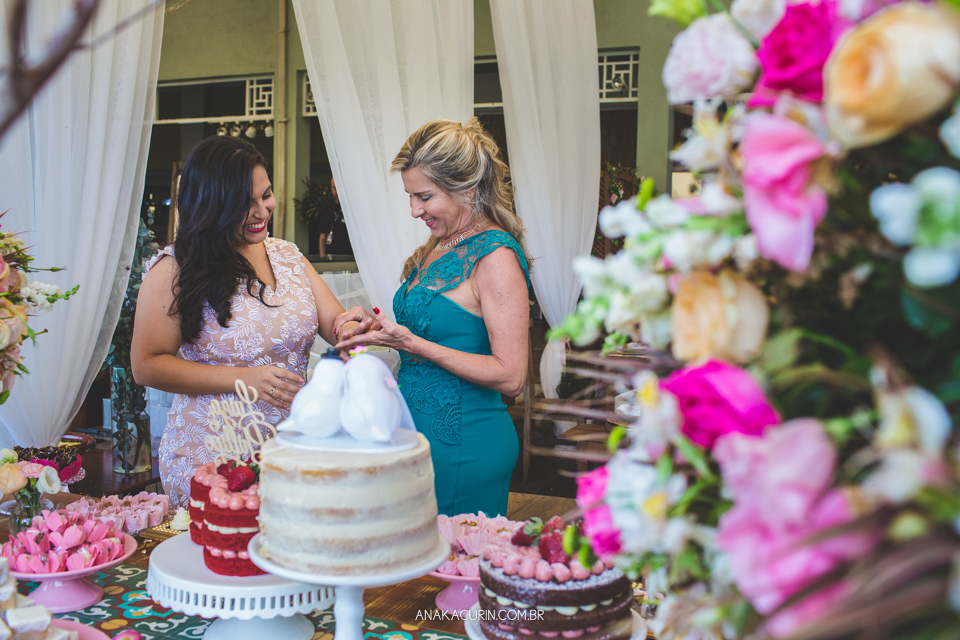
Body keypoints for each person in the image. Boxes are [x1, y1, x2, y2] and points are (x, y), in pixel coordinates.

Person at [131, 136, 376, 508]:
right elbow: (146, 366)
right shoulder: (173, 269)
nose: (262, 211)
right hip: (212, 451)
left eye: (266, 195)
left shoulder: (287, 255)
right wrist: (243, 378)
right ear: (212, 206)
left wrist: (353, 329)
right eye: (245, 203)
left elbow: (337, 326)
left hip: (292, 444)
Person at [336, 118, 530, 517]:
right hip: (411, 438)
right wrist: (374, 330)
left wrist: (410, 342)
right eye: (410, 196)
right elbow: (432, 330)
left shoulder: (495, 258)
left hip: (464, 445)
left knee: (450, 571)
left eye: (424, 196)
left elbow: (512, 376)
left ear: (466, 189)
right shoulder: (437, 247)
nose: (413, 210)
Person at [317, 176, 353, 257]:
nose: (337, 192)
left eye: (339, 188)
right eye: (334, 188)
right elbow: (322, 234)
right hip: (330, 258)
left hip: (348, 257)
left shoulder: (352, 209)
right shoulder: (328, 208)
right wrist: (322, 258)